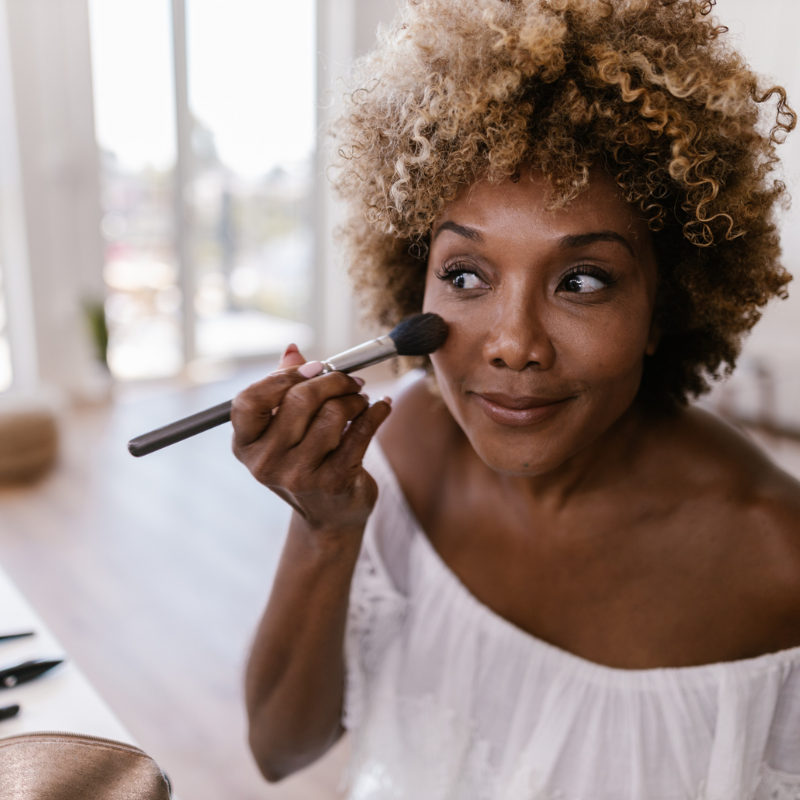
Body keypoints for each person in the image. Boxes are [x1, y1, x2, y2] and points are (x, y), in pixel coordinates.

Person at [233, 1, 800, 797]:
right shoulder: (406, 450)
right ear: (415, 279)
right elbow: (279, 750)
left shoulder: (779, 562)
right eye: (466, 275)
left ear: (661, 312)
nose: (512, 343)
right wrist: (325, 531)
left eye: (583, 281)